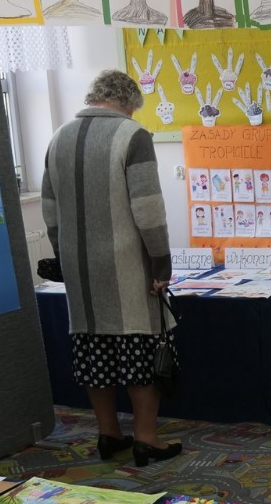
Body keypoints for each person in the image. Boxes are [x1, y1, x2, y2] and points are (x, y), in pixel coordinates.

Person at [42, 70, 180, 466]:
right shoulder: (132, 135)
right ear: (129, 102)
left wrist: (64, 254)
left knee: (94, 352)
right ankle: (146, 438)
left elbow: (50, 208)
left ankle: (109, 434)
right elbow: (148, 209)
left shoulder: (58, 137)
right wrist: (161, 264)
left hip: (80, 270)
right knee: (139, 352)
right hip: (126, 266)